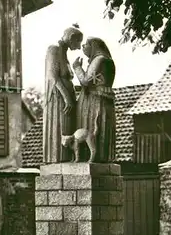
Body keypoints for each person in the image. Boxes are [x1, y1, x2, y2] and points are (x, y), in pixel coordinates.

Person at [43, 24, 83, 163]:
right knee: (61, 129)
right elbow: (53, 77)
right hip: (58, 99)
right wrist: (67, 98)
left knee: (68, 130)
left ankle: (68, 158)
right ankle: (58, 159)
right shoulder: (53, 49)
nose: (78, 47)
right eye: (78, 43)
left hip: (67, 98)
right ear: (71, 38)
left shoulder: (64, 53)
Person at [73, 37, 116, 163]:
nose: (83, 47)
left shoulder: (99, 59)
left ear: (94, 46)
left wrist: (77, 67)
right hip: (102, 98)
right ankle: (101, 156)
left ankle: (94, 157)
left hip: (95, 99)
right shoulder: (106, 59)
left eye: (86, 44)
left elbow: (86, 81)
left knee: (94, 125)